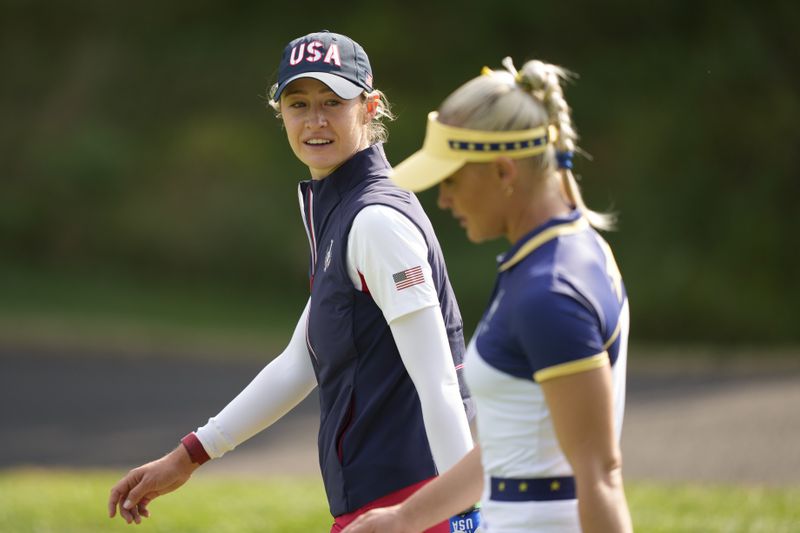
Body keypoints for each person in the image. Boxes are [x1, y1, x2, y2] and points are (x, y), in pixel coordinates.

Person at [107, 30, 476, 532]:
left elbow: (438, 384)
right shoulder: (343, 214)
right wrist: (187, 457)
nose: (315, 120)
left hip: (412, 507)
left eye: (333, 101)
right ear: (279, 111)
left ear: (370, 108)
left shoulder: (375, 222)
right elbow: (298, 364)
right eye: (298, 103)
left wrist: (465, 519)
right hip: (387, 507)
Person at [343, 57, 633, 533]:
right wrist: (402, 519)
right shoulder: (560, 257)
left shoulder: (550, 292)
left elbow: (600, 476)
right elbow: (513, 445)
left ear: (503, 172)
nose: (444, 199)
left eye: (452, 179)